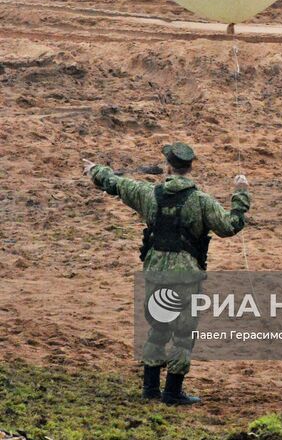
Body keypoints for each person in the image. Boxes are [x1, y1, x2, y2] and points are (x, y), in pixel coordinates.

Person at [84, 141, 250, 406]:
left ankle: (150, 389)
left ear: (168, 166)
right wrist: (240, 194)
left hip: (155, 272)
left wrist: (95, 170)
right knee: (183, 336)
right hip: (186, 277)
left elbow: (117, 185)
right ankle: (172, 392)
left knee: (157, 329)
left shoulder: (149, 194)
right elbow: (231, 225)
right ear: (190, 167)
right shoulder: (201, 201)